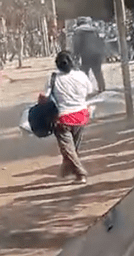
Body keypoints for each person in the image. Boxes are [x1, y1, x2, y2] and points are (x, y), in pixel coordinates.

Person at [42, 51, 93, 184]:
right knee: (72, 149)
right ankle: (65, 171)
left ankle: (80, 174)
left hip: (62, 119)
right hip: (81, 116)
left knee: (69, 149)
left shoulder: (52, 78)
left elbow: (45, 96)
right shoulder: (81, 75)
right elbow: (89, 90)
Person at [73, 17, 107, 93]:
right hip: (96, 54)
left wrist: (76, 56)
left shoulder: (78, 31)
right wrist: (103, 53)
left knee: (84, 73)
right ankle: (102, 88)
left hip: (85, 55)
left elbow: (76, 44)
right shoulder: (95, 30)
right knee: (98, 72)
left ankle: (86, 90)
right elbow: (101, 42)